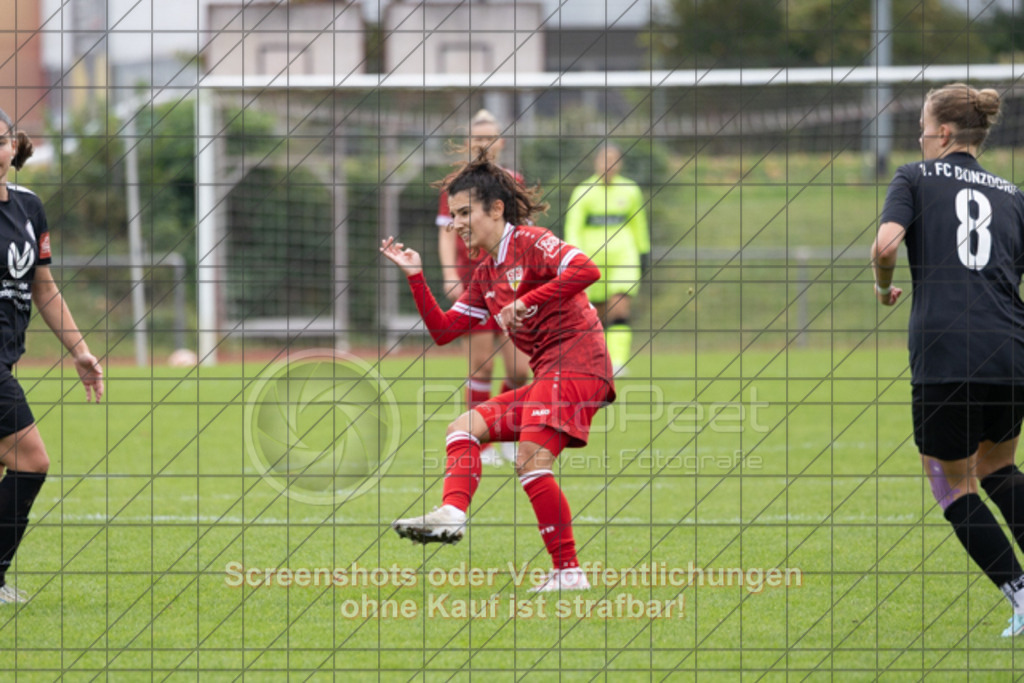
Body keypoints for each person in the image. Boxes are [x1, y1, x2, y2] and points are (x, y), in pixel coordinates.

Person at [382, 156, 615, 592]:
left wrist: (527, 301)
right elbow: (444, 331)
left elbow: (586, 270)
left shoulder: (532, 241)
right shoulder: (486, 274)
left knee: (530, 459)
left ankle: (569, 572)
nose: (456, 225)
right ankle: (452, 514)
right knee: (463, 428)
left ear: (496, 209)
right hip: (552, 374)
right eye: (453, 215)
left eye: (465, 213)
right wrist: (416, 277)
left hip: (580, 364)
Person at [873, 83, 1024, 637]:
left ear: (942, 133)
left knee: (952, 483)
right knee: (999, 467)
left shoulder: (913, 177)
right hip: (1010, 349)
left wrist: (882, 287)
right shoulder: (1013, 195)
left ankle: (1020, 592)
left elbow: (886, 246)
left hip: (946, 351)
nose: (920, 138)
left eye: (921, 129)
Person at [0, 111, 104, 605]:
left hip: (6, 356)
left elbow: (43, 286)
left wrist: (80, 351)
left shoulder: (29, 206)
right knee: (31, 460)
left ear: (13, 146)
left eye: (0, 140)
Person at [436, 110, 530, 466]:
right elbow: (446, 234)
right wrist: (450, 275)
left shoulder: (513, 181)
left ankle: (509, 434)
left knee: (519, 370)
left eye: (490, 137)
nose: (484, 144)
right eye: (478, 138)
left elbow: (524, 236)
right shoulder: (455, 184)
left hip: (510, 283)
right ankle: (480, 442)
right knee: (481, 368)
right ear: (468, 143)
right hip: (473, 283)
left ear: (501, 143)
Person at [563, 142, 650, 375]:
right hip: (591, 260)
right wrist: (574, 258)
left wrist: (643, 252)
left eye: (613, 160)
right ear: (596, 162)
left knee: (620, 307)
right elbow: (573, 228)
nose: (608, 164)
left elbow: (638, 224)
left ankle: (618, 361)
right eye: (604, 159)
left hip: (624, 257)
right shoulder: (583, 191)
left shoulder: (630, 190)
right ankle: (598, 359)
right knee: (596, 313)